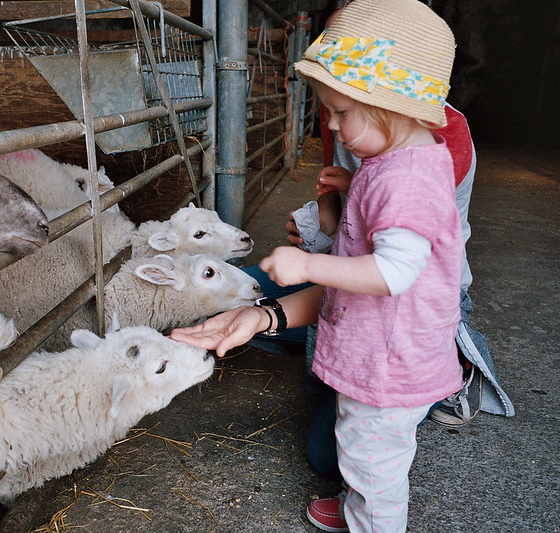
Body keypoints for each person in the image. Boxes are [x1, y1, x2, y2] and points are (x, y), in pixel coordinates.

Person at [172, 0, 466, 530]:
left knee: (369, 457)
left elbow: (394, 273)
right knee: (360, 451)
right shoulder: (394, 163)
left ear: (394, 104)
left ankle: (372, 519)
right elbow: (382, 231)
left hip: (387, 360)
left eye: (341, 112)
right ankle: (363, 505)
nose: (330, 123)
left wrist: (309, 263)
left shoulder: (407, 179)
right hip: (377, 345)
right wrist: (347, 205)